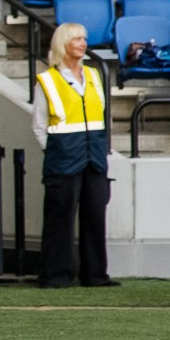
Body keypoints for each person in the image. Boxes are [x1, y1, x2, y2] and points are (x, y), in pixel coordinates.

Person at [34, 22, 112, 289]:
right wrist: (56, 150)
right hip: (64, 157)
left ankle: (95, 275)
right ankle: (55, 275)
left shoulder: (94, 75)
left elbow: (103, 116)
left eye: (84, 38)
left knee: (95, 216)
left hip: (94, 157)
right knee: (60, 218)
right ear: (63, 44)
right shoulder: (47, 80)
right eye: (77, 39)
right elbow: (39, 125)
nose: (83, 43)